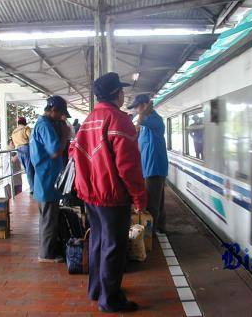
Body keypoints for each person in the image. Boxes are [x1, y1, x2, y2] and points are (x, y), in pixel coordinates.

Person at [70, 72, 147, 313]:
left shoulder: (90, 119)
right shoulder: (118, 119)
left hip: (91, 194)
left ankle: (96, 289)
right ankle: (110, 299)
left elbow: (74, 152)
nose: (124, 94)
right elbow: (128, 165)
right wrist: (139, 195)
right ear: (116, 93)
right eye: (122, 91)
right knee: (114, 246)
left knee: (97, 241)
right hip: (112, 195)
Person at [30, 95, 70, 263]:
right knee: (48, 218)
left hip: (45, 177)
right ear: (52, 110)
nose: (61, 118)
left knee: (48, 217)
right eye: (60, 114)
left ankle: (49, 250)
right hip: (47, 178)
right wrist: (65, 136)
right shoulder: (45, 127)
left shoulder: (42, 124)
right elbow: (54, 151)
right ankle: (46, 254)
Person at [127, 94, 168, 234]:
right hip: (148, 168)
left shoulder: (155, 120)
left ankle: (152, 234)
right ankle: (160, 227)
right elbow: (140, 145)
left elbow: (139, 121)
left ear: (145, 105)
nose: (137, 111)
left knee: (152, 204)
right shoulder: (146, 124)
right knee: (157, 200)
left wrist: (144, 111)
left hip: (154, 168)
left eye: (138, 107)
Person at [11, 117, 34, 194]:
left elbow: (13, 143)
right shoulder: (26, 128)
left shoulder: (14, 132)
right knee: (30, 168)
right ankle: (33, 188)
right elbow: (31, 138)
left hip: (19, 151)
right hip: (26, 148)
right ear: (25, 122)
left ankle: (32, 187)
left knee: (27, 170)